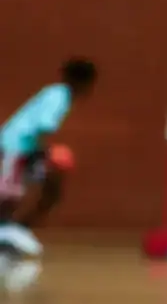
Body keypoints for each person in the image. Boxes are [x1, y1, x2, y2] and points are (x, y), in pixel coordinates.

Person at [0, 58, 97, 257]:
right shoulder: (59, 96)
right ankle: (6, 232)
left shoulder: (59, 94)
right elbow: (43, 126)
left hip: (26, 148)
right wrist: (48, 152)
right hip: (15, 146)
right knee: (10, 193)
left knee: (51, 189)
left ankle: (17, 229)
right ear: (84, 82)